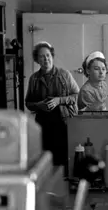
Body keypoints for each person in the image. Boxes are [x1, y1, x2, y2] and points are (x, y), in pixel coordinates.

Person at [25, 41, 79, 172]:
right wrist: (39, 105)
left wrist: (59, 100)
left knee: (63, 160)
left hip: (63, 123)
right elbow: (28, 103)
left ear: (52, 56)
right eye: (42, 56)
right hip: (43, 125)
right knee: (46, 161)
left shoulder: (64, 75)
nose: (46, 59)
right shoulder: (34, 79)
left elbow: (77, 96)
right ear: (37, 60)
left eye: (48, 55)